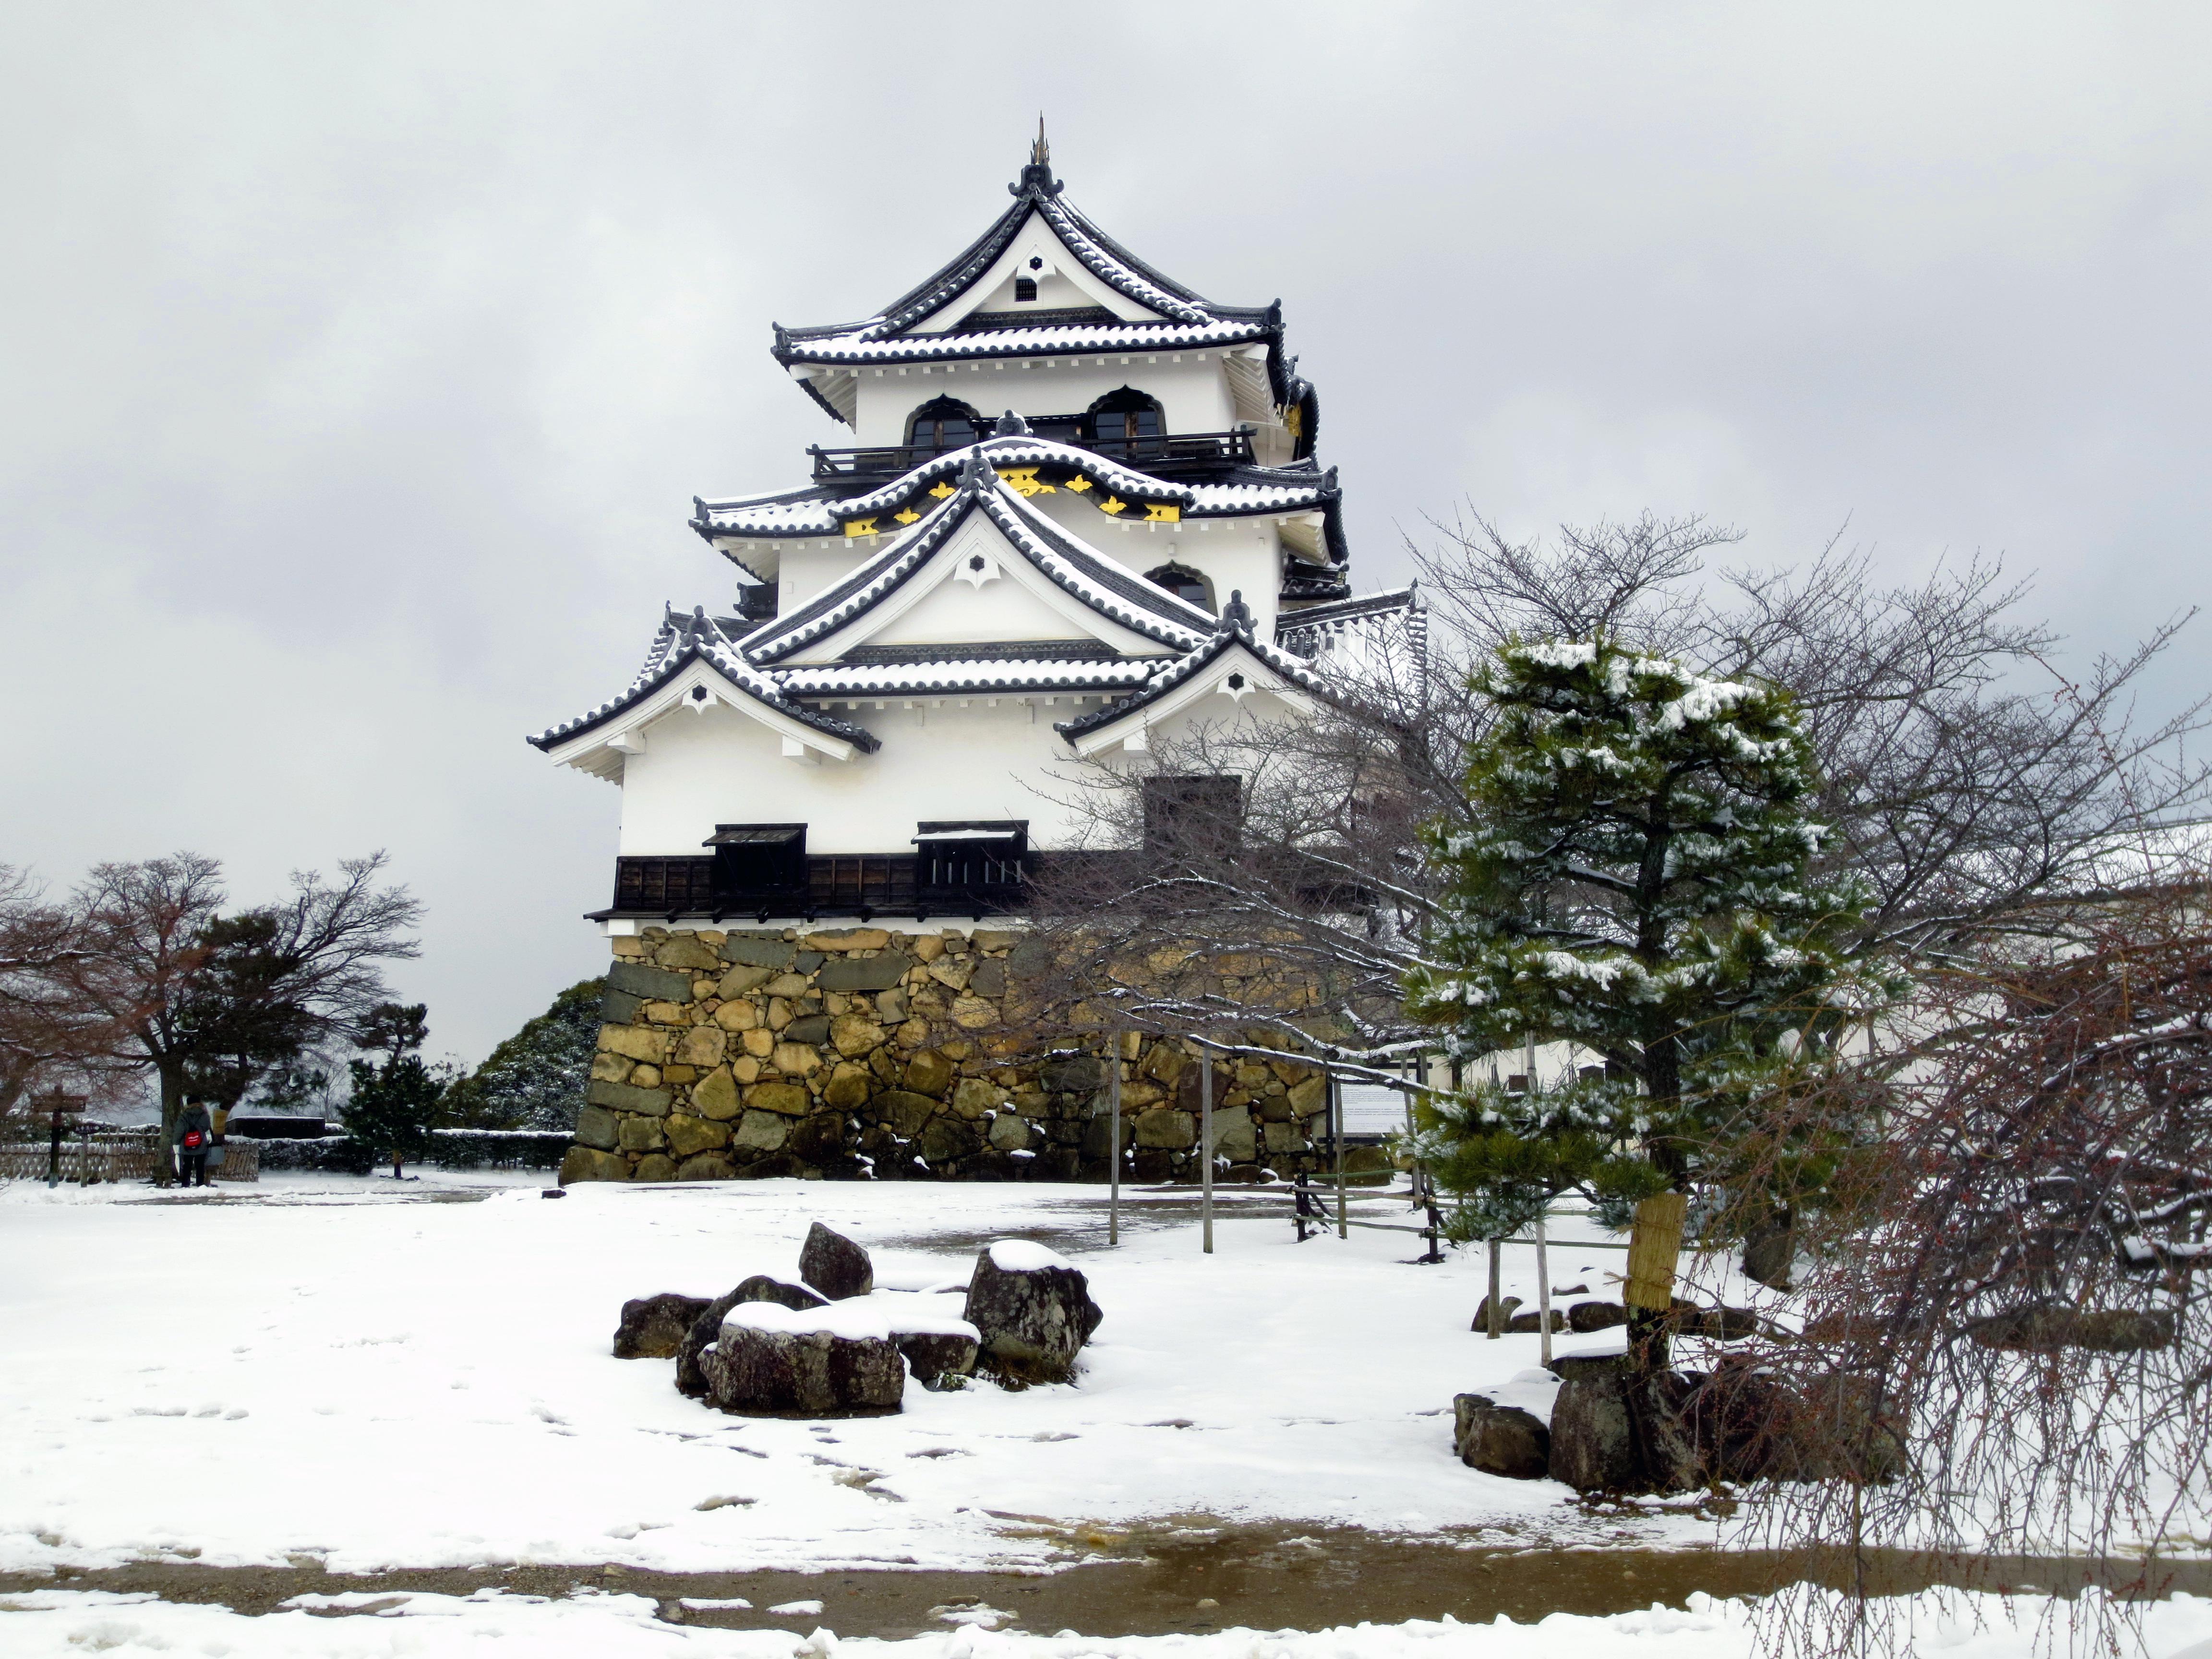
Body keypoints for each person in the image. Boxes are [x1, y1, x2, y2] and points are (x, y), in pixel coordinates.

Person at [175, 1099, 214, 1187]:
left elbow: (180, 1130)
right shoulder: (205, 1115)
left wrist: (176, 1141)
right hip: (201, 1143)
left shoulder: (184, 1115)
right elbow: (207, 1127)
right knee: (200, 1165)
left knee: (187, 1165)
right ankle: (200, 1183)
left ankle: (185, 1183)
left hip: (186, 1143)